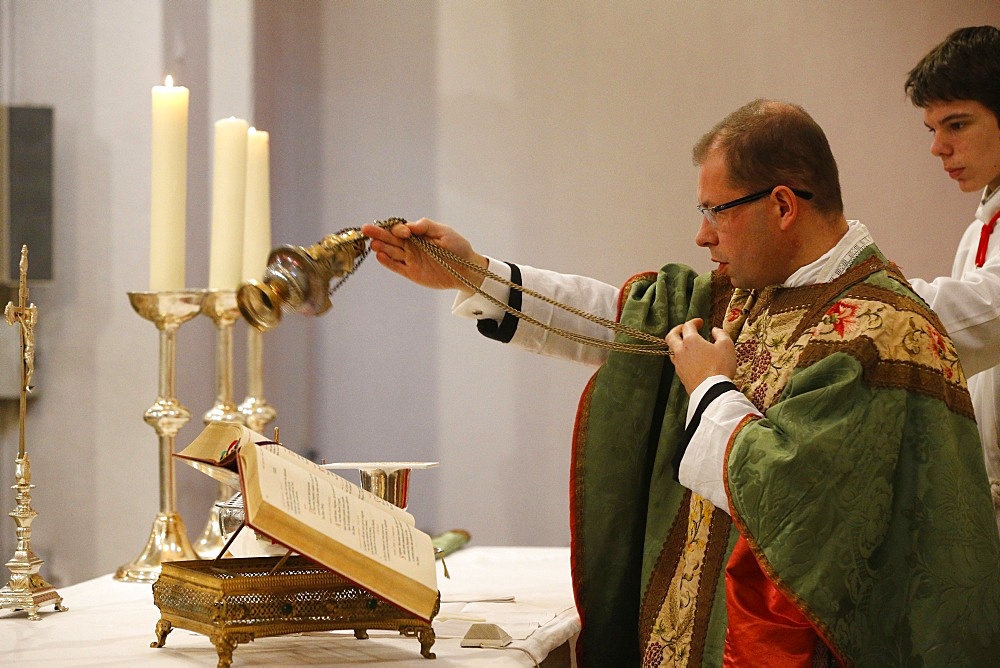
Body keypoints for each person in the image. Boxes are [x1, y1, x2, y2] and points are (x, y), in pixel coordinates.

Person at [362, 99, 1000, 666]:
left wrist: (712, 393)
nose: (702, 235)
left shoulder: (877, 330)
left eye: (716, 212)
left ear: (782, 204)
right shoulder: (756, 294)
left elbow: (793, 502)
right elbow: (617, 321)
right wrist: (475, 274)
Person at [904, 25, 1000, 536]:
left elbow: (981, 316)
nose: (938, 148)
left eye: (957, 124)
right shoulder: (980, 229)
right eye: (933, 129)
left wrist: (858, 290)